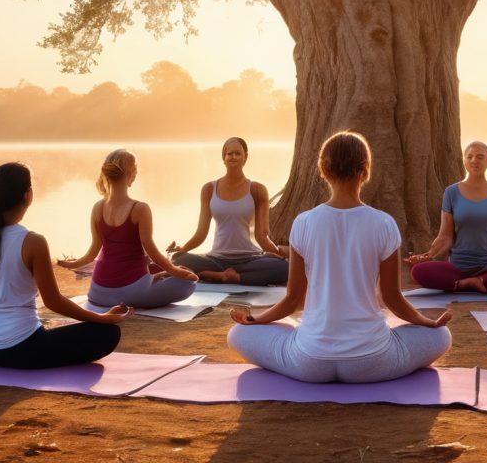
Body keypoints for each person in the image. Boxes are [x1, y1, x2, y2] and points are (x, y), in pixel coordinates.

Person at [227, 131, 452, 382]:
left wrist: (254, 319)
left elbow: (293, 300)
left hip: (310, 361)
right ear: (366, 171)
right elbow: (391, 299)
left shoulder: (303, 223)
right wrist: (426, 322)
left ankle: (302, 340)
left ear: (323, 169)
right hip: (372, 361)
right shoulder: (384, 223)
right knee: (442, 336)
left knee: (237, 334)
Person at [0, 161, 130, 369]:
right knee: (108, 333)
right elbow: (53, 302)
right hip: (20, 348)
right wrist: (102, 318)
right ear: (28, 194)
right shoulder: (33, 241)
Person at [58, 149, 197, 308]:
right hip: (132, 293)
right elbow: (151, 250)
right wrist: (175, 272)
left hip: (98, 293)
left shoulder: (97, 207)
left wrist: (72, 264)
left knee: (161, 270)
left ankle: (155, 278)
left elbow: (92, 253)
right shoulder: (140, 209)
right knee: (189, 283)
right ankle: (154, 279)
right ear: (131, 176)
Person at [406, 141, 487, 294]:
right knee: (418, 271)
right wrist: (427, 256)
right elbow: (445, 237)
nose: (474, 161)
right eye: (470, 157)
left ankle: (481, 281)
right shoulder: (451, 192)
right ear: (464, 160)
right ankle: (465, 283)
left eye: (480, 157)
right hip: (459, 267)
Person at [167, 137, 289, 285]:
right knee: (178, 259)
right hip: (216, 260)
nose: (233, 157)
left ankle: (229, 277)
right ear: (223, 158)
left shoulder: (257, 189)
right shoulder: (209, 189)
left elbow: (261, 237)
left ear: (245, 157)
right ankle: (223, 274)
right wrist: (182, 249)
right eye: (229, 153)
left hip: (249, 259)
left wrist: (279, 254)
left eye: (238, 153)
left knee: (285, 268)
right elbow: (201, 233)